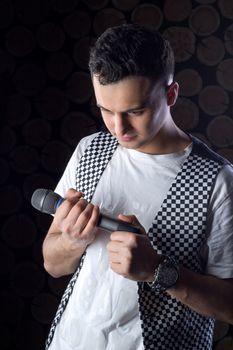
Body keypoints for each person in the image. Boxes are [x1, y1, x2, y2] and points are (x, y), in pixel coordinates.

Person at [42, 24, 233, 350]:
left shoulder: (218, 181)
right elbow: (52, 263)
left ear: (170, 94)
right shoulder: (88, 150)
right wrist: (72, 241)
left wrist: (158, 271)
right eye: (106, 110)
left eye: (136, 111)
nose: (119, 128)